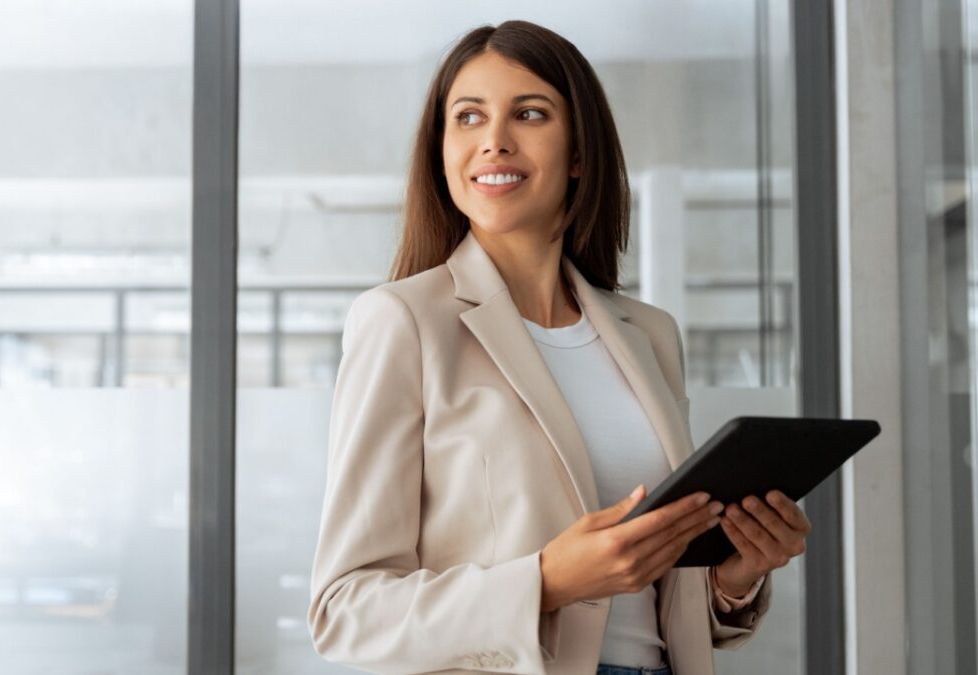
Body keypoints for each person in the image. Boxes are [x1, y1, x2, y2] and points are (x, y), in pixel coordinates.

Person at [307, 19, 811, 675]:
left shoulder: (650, 335)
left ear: (579, 153)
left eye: (529, 113)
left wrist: (735, 574)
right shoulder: (402, 321)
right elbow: (344, 610)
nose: (493, 141)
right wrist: (545, 579)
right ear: (441, 151)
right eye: (468, 117)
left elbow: (665, 600)